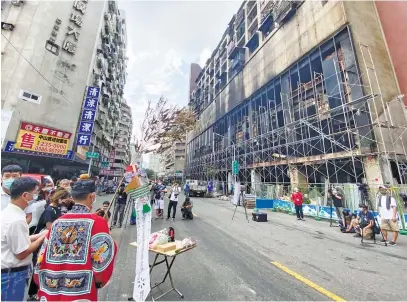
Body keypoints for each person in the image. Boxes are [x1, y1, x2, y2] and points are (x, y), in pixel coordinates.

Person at [34, 180, 117, 301]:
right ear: (92, 196)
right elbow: (103, 258)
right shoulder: (97, 222)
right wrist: (99, 281)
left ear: (72, 197)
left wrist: (38, 278)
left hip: (52, 287)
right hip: (80, 291)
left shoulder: (58, 222)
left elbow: (42, 256)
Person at [1, 177, 47, 302]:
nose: (36, 196)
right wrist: (42, 238)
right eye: (35, 193)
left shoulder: (9, 212)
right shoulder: (16, 220)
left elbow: (18, 240)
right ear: (25, 195)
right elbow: (21, 253)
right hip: (11, 276)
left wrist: (38, 235)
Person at [28, 188, 70, 301]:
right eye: (66, 198)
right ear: (60, 198)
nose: (67, 201)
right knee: (38, 265)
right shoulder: (50, 211)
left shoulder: (56, 209)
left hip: (48, 240)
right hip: (42, 241)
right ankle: (33, 292)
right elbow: (50, 228)